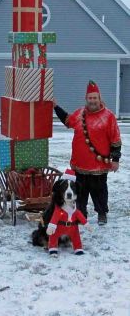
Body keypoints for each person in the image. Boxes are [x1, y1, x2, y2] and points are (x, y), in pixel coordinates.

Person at [53, 80, 122, 225]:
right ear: (86, 99)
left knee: (100, 192)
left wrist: (115, 159)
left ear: (99, 98)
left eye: (94, 98)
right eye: (90, 98)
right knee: (81, 193)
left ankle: (102, 214)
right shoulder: (79, 113)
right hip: (80, 164)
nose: (92, 101)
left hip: (99, 166)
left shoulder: (108, 117)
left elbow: (115, 139)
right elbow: (67, 121)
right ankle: (80, 214)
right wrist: (55, 107)